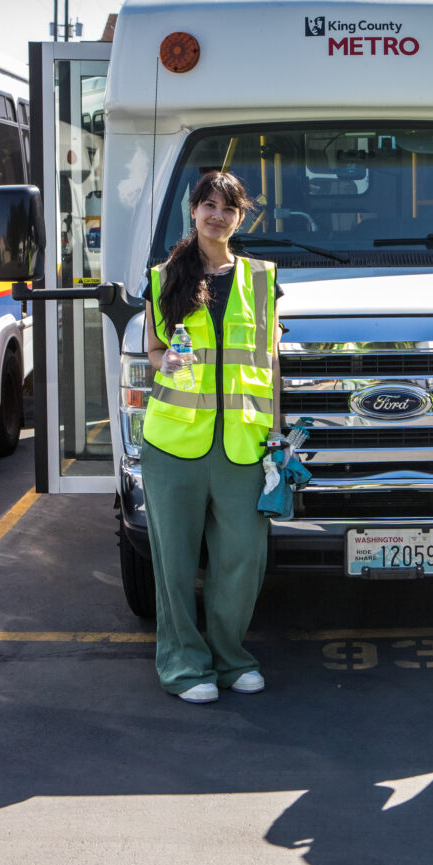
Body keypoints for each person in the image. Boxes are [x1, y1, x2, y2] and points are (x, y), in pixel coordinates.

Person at [142, 170, 283, 704]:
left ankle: (230, 659)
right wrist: (165, 360)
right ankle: (184, 667)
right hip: (173, 443)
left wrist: (277, 433)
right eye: (208, 205)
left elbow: (271, 362)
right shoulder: (163, 278)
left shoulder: (263, 278)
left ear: (240, 217)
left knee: (242, 559)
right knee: (174, 563)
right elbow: (153, 350)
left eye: (228, 208)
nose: (217, 216)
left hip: (243, 444)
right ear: (193, 212)